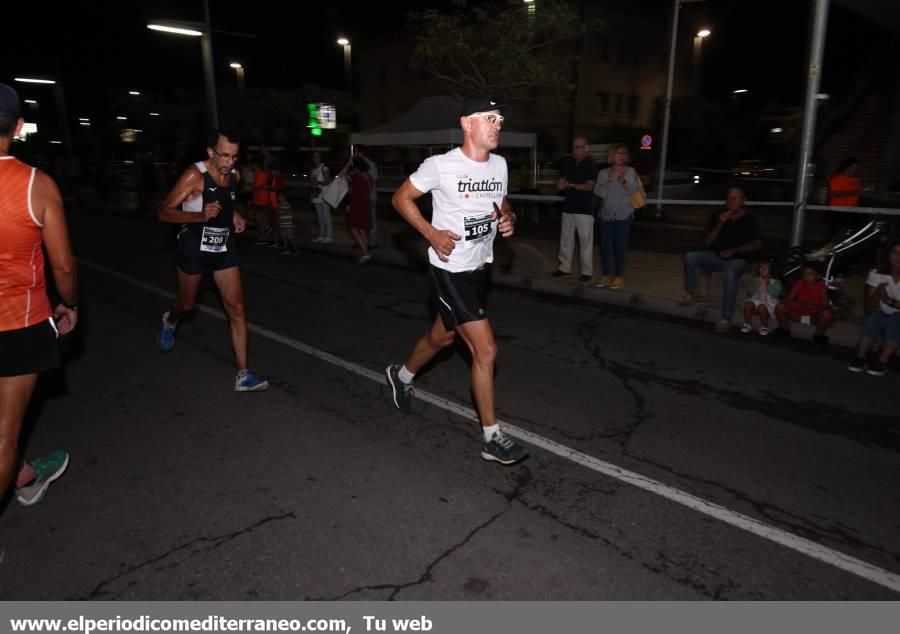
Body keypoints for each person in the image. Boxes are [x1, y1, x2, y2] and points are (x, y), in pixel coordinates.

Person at [385, 96, 528, 465]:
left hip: (480, 268)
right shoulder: (441, 166)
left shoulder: (499, 165)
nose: (497, 125)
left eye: (499, 119)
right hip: (449, 270)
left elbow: (503, 202)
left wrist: (507, 218)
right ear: (467, 124)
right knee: (485, 350)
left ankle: (400, 376)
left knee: (443, 337)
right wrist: (430, 233)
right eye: (489, 118)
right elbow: (401, 199)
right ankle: (492, 438)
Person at [0, 83, 75, 507]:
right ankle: (21, 471)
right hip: (17, 325)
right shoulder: (36, 185)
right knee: (4, 437)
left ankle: (26, 475)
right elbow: (62, 265)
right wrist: (71, 303)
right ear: (19, 126)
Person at [156, 129, 269, 392]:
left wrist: (235, 215)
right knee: (186, 304)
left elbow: (227, 204)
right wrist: (199, 216)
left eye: (235, 157)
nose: (230, 162)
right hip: (193, 246)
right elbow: (163, 212)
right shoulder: (194, 176)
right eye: (225, 155)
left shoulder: (234, 176)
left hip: (222, 247)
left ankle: (243, 374)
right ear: (210, 153)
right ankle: (170, 320)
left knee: (237, 308)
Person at [679, 186, 764, 333]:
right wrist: (720, 223)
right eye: (729, 198)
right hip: (716, 257)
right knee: (691, 257)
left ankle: (726, 317)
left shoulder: (750, 219)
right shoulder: (718, 215)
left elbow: (758, 245)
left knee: (730, 272)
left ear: (743, 201)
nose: (731, 201)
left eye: (735, 198)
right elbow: (708, 242)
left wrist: (735, 250)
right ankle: (692, 293)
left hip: (739, 260)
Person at [848, 239, 900, 376]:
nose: (898, 257)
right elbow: (869, 307)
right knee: (875, 316)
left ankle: (882, 361)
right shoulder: (877, 273)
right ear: (888, 254)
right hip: (882, 314)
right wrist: (878, 294)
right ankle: (860, 356)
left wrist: (890, 302)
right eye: (895, 252)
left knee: (896, 318)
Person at [552, 137, 597, 283]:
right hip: (568, 207)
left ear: (586, 148)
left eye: (578, 147)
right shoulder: (568, 162)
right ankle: (564, 268)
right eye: (574, 147)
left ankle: (587, 271)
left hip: (584, 209)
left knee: (585, 242)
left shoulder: (591, 163)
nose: (575, 150)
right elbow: (560, 184)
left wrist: (571, 185)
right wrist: (560, 184)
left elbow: (590, 186)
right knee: (566, 240)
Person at [594, 143, 639, 289]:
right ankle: (606, 275)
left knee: (620, 247)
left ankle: (619, 276)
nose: (621, 156)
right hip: (606, 216)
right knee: (605, 248)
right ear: (612, 155)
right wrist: (606, 183)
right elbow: (598, 192)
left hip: (623, 216)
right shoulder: (603, 172)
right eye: (618, 153)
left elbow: (631, 190)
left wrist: (622, 179)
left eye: (623, 153)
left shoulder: (630, 171)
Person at [774, 262, 836, 344]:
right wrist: (798, 303)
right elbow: (789, 299)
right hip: (798, 313)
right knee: (780, 307)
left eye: (810, 274)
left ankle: (818, 336)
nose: (806, 276)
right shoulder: (799, 283)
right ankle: (784, 330)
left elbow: (826, 306)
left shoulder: (822, 287)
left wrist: (812, 306)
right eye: (804, 274)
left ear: (818, 276)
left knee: (827, 314)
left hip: (814, 315)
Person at [340, 157, 374, 264]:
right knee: (362, 229)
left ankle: (365, 253)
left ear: (356, 167)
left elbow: (341, 175)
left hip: (356, 206)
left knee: (354, 229)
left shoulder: (356, 177)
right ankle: (367, 252)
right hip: (365, 205)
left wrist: (348, 164)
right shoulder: (369, 177)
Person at [740, 258, 782, 336]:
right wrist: (753, 285)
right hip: (756, 300)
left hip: (768, 302)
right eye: (760, 268)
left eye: (764, 268)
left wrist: (768, 283)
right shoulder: (756, 279)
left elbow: (775, 294)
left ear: (771, 271)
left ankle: (764, 327)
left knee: (762, 307)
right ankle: (747, 324)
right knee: (748, 303)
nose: (761, 270)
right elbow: (750, 292)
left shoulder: (776, 282)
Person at [353, 145, 380, 249]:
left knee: (371, 220)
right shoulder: (361, 165)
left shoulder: (370, 165)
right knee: (361, 220)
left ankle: (372, 243)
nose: (354, 154)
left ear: (360, 153)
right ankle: (363, 242)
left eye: (355, 152)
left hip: (369, 197)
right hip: (363, 197)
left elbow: (373, 180)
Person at [310, 152, 332, 243]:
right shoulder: (313, 170)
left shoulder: (324, 168)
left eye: (318, 156)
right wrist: (312, 187)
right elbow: (312, 182)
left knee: (326, 216)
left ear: (320, 158)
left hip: (324, 196)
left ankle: (329, 236)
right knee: (320, 217)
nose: (316, 158)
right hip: (316, 195)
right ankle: (322, 235)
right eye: (314, 156)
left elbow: (327, 182)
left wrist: (318, 182)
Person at [276, 191, 299, 255]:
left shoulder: (287, 204)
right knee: (284, 237)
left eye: (281, 196)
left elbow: (288, 212)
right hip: (282, 224)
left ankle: (295, 248)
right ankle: (286, 249)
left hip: (288, 224)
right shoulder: (279, 205)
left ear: (285, 197)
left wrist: (282, 211)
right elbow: (278, 213)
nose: (279, 198)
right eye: (279, 196)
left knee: (291, 237)